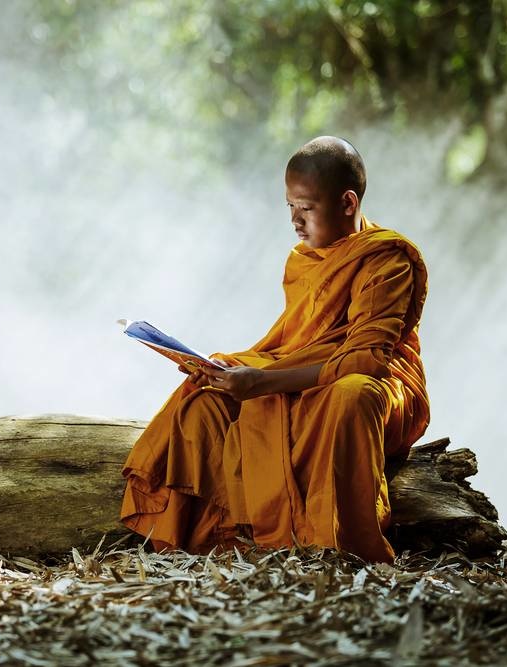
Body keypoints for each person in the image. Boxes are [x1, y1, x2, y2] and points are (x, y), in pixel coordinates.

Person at [119, 136, 430, 564]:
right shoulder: (304, 259)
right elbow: (296, 344)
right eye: (290, 208)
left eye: (307, 208)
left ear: (347, 203)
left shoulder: (385, 260)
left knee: (352, 395)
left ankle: (342, 549)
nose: (296, 222)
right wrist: (231, 369)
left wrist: (263, 381)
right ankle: (225, 543)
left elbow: (368, 359)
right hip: (311, 375)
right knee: (204, 405)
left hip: (376, 385)